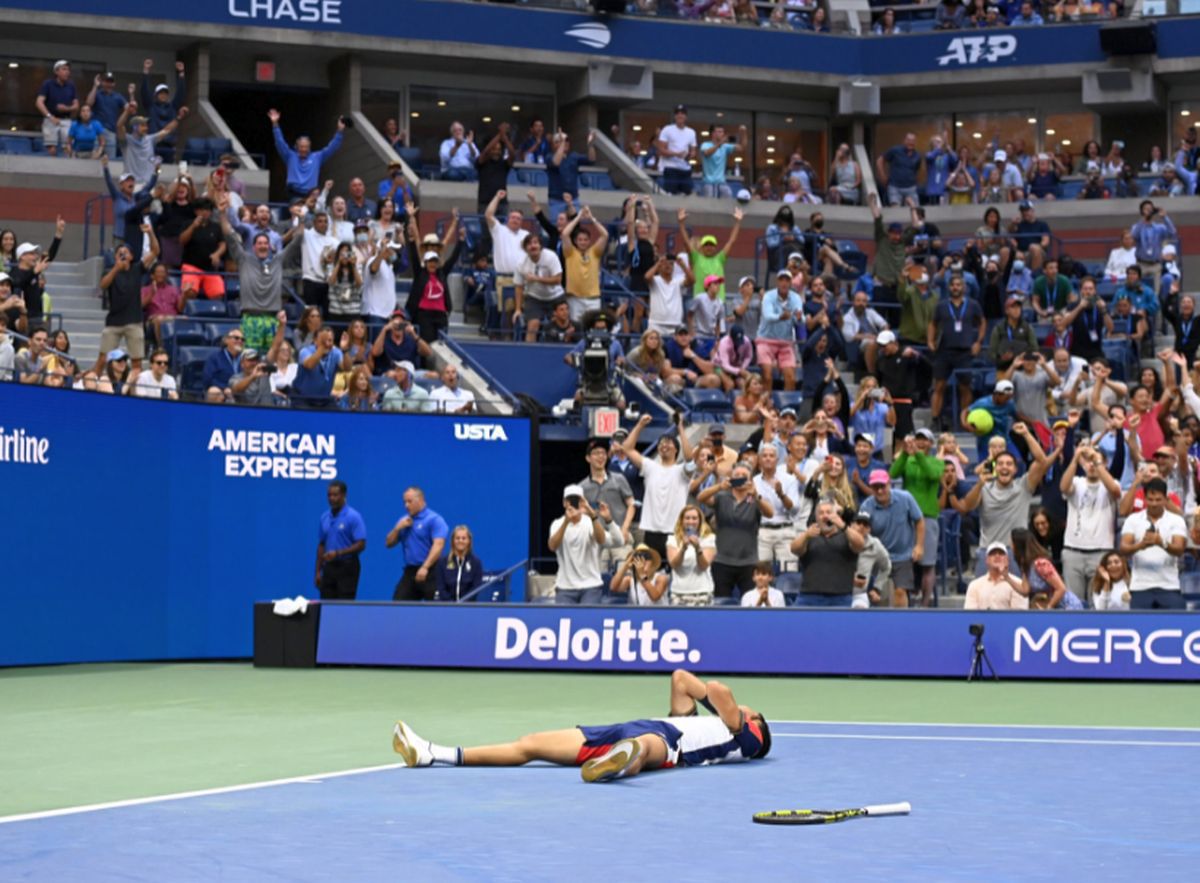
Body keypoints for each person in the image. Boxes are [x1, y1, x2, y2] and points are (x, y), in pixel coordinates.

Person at [392, 669, 771, 782]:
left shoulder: (746, 738)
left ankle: (622, 763)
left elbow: (719, 690)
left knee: (646, 747)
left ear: (754, 723)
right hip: (629, 727)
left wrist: (737, 713)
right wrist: (709, 706)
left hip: (669, 744)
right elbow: (680, 679)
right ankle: (432, 754)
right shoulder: (719, 724)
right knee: (531, 744)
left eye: (752, 712)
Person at [949, 424, 1052, 574]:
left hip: (1017, 552)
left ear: (1015, 469)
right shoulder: (984, 488)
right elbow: (967, 507)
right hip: (988, 551)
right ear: (995, 468)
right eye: (1001, 464)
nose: (1005, 467)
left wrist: (1026, 434)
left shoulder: (1024, 486)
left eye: (1009, 464)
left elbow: (1042, 461)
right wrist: (979, 484)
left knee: (1017, 596)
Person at [217, 193, 303, 353]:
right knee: (250, 359)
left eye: (265, 243)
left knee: (273, 362)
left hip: (273, 320)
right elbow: (229, 235)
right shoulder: (244, 259)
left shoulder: (277, 260)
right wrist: (222, 213)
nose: (263, 245)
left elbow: (297, 241)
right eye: (259, 243)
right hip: (250, 319)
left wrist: (302, 220)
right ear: (254, 246)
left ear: (270, 246)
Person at [697, 463, 774, 599]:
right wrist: (720, 486)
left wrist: (756, 495)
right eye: (736, 476)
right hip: (722, 561)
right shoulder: (722, 496)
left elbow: (770, 513)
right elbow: (701, 498)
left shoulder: (755, 499)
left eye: (744, 476)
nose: (740, 478)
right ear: (730, 478)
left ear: (750, 480)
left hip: (748, 562)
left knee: (750, 602)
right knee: (721, 602)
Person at [1058, 439, 1121, 604]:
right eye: (1088, 462)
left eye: (1096, 461)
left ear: (1104, 463)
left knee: (1098, 604)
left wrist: (1096, 460)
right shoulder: (1077, 482)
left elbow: (1114, 491)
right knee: (1073, 604)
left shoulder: (1111, 483)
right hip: (1073, 551)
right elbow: (1064, 487)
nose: (1091, 465)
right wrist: (1075, 458)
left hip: (1100, 552)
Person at [623, 414, 694, 559]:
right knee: (649, 574)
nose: (664, 445)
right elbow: (627, 449)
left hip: (674, 531)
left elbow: (690, 458)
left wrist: (680, 427)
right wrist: (640, 425)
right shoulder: (650, 466)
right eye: (661, 443)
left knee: (674, 574)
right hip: (650, 531)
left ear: (676, 450)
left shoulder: (682, 471)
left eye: (668, 442)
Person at [94, 227, 160, 377]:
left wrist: (150, 232)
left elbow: (155, 251)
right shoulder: (110, 270)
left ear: (131, 256)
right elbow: (103, 285)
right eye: (119, 253)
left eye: (126, 252)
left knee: (136, 362)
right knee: (103, 359)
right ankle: (92, 387)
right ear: (115, 257)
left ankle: (134, 392)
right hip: (114, 322)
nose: (123, 255)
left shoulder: (137, 269)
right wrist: (116, 269)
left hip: (133, 321)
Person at [1119, 478, 1187, 610]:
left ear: (1166, 499)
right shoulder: (1133, 519)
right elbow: (1123, 548)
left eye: (1158, 499)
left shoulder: (1176, 520)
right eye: (1150, 499)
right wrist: (1140, 545)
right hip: (1140, 585)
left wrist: (1162, 543)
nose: (1154, 503)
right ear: (1144, 498)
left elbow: (1179, 549)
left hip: (1169, 585)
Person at [859, 470, 924, 607]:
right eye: (876, 487)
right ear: (871, 488)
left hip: (902, 554)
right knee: (875, 595)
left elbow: (919, 520)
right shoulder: (866, 506)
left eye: (883, 486)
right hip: (877, 556)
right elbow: (861, 530)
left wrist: (919, 545)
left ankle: (902, 622)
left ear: (889, 484)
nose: (880, 490)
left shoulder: (905, 498)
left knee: (900, 591)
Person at [790, 499, 864, 607]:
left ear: (836, 515)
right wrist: (806, 535)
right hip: (809, 597)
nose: (825, 516)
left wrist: (843, 526)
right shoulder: (810, 536)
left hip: (840, 597)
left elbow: (860, 544)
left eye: (828, 512)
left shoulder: (846, 535)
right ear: (816, 518)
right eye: (821, 513)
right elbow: (794, 549)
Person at [548, 483, 609, 605]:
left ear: (583, 502)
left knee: (588, 621)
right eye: (570, 500)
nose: (573, 503)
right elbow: (552, 546)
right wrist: (566, 521)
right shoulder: (557, 523)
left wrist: (591, 513)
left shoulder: (590, 522)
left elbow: (601, 539)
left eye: (577, 500)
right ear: (564, 503)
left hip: (591, 585)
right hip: (565, 587)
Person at [386, 486, 449, 602]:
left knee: (436, 607)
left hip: (431, 571)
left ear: (420, 500)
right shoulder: (404, 520)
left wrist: (425, 567)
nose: (406, 505)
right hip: (410, 571)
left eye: (409, 501)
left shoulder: (434, 519)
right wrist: (397, 528)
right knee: (398, 604)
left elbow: (438, 545)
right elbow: (388, 543)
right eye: (404, 502)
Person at [580, 438, 636, 566]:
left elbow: (631, 504)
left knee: (625, 577)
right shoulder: (582, 487)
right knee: (598, 579)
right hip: (597, 540)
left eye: (603, 453)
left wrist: (625, 528)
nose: (600, 456)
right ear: (588, 458)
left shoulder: (619, 479)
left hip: (621, 536)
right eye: (596, 453)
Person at [270, 109, 345, 201]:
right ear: (297, 147)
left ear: (310, 147)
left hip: (311, 194)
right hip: (294, 193)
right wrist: (275, 124)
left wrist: (340, 130)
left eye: (306, 147)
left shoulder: (317, 157)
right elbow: (280, 142)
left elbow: (332, 147)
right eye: (301, 147)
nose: (304, 149)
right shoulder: (290, 156)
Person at [314, 480, 366, 600]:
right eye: (329, 495)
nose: (332, 498)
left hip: (347, 566)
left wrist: (338, 553)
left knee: (345, 605)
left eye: (335, 495)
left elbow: (361, 544)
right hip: (329, 567)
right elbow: (321, 544)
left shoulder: (353, 516)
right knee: (326, 603)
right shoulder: (324, 517)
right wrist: (317, 571)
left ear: (344, 495)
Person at [666, 505, 717, 606]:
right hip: (678, 593)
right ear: (681, 520)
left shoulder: (709, 538)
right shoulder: (672, 539)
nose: (691, 521)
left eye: (694, 518)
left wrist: (698, 547)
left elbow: (703, 566)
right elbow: (674, 565)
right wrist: (683, 549)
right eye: (687, 518)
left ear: (700, 521)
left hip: (702, 592)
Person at [963, 543, 1028, 610]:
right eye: (993, 554)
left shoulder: (1018, 584)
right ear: (987, 560)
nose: (997, 556)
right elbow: (970, 614)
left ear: (1007, 560)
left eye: (1001, 554)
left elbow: (1019, 615)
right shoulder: (974, 585)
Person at [36, 59, 78, 156]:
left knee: (68, 147)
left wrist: (66, 108)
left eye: (68, 70)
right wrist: (50, 116)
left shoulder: (71, 86)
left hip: (66, 120)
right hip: (51, 119)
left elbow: (76, 105)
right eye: (64, 69)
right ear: (56, 71)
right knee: (51, 148)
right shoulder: (48, 84)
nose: (67, 72)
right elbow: (39, 102)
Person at [656, 105, 698, 196]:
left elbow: (694, 151)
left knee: (687, 194)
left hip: (685, 168)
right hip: (670, 167)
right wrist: (676, 154)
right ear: (675, 116)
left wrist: (690, 155)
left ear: (686, 116)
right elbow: (661, 150)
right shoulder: (667, 129)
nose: (680, 116)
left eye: (682, 113)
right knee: (670, 194)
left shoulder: (691, 132)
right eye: (678, 113)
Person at [438, 525, 484, 602]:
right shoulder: (442, 562)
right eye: (457, 538)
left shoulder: (476, 562)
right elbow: (441, 587)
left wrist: (463, 603)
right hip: (446, 606)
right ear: (453, 541)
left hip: (468, 607)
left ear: (469, 541)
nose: (460, 541)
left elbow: (476, 587)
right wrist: (451, 604)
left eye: (464, 538)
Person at [876, 133, 921, 207]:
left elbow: (916, 171)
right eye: (909, 140)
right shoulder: (895, 150)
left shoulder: (917, 155)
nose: (911, 143)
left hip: (911, 188)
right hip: (895, 187)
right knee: (895, 210)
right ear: (904, 141)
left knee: (915, 210)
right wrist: (882, 176)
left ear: (915, 142)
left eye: (913, 141)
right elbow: (880, 160)